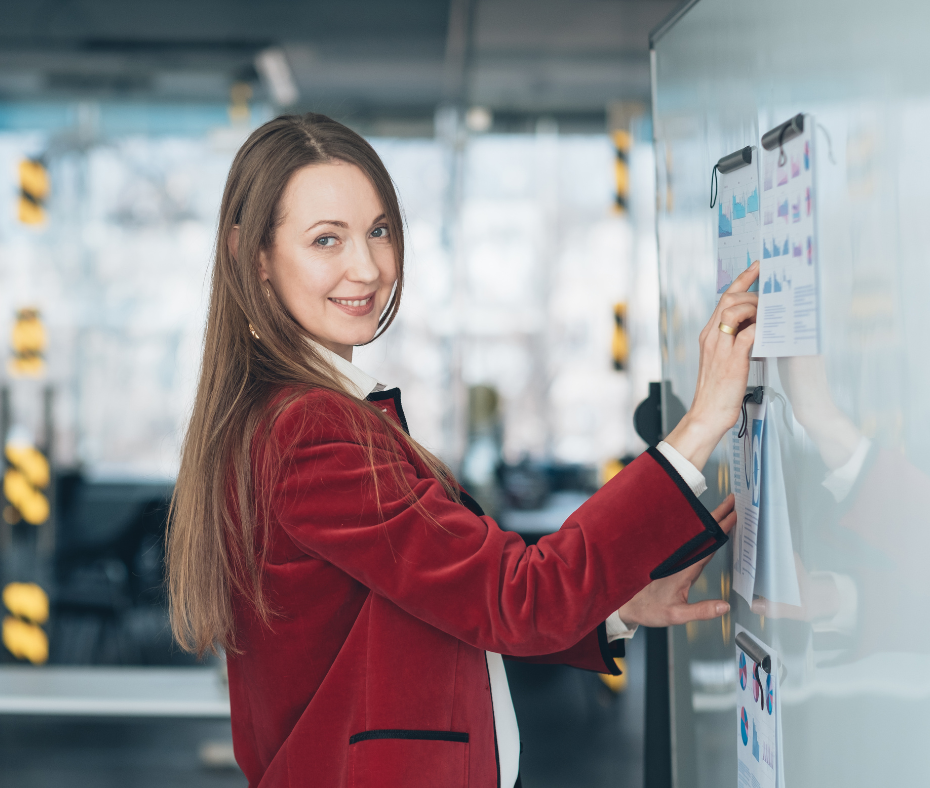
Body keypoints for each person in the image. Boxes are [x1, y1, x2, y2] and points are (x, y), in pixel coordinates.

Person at [166, 113, 759, 788]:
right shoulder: (309, 430)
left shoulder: (290, 414)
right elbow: (519, 596)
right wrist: (701, 425)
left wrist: (621, 607)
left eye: (379, 230)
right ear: (254, 257)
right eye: (326, 239)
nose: (367, 266)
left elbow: (426, 616)